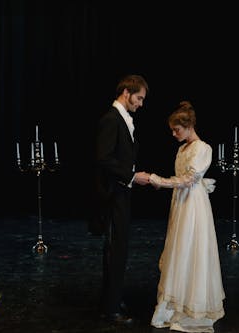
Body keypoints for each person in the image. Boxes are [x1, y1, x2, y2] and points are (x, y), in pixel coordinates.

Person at [149, 101, 225, 333]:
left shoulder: (203, 148)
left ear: (189, 125)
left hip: (194, 205)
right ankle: (174, 303)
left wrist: (158, 180)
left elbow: (190, 179)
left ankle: (193, 306)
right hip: (181, 203)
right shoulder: (182, 149)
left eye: (177, 130)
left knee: (190, 249)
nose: (173, 134)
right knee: (179, 249)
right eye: (172, 130)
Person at [92, 74, 151, 325]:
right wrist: (132, 176)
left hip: (121, 192)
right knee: (116, 250)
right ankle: (111, 308)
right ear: (126, 93)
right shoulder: (111, 120)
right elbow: (103, 158)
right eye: (138, 98)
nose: (141, 103)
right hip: (113, 194)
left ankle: (111, 300)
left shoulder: (123, 119)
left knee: (119, 249)